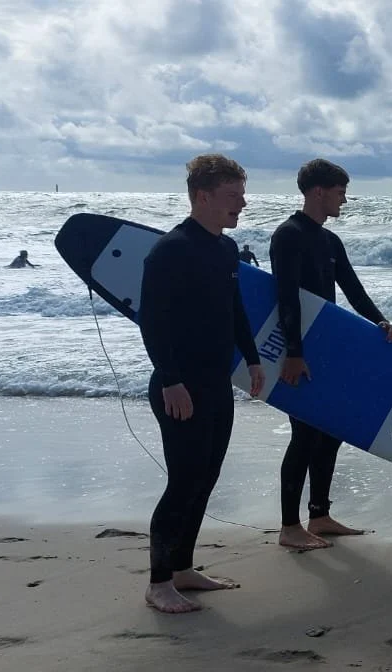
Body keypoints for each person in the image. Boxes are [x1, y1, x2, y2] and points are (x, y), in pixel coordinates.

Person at [138, 153, 265, 613]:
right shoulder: (171, 250)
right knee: (184, 481)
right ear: (203, 196)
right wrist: (171, 381)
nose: (242, 204)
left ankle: (183, 568)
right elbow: (151, 320)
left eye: (242, 195)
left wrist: (251, 360)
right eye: (233, 196)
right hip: (180, 386)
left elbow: (233, 311)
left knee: (205, 478)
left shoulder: (225, 249)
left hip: (215, 383)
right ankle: (158, 583)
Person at [270, 159, 392, 551]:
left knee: (331, 433)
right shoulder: (288, 235)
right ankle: (289, 527)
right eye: (340, 191)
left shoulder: (330, 241)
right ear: (318, 191)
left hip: (327, 349)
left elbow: (353, 290)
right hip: (300, 351)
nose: (344, 199)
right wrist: (293, 353)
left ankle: (320, 515)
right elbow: (286, 298)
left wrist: (381, 322)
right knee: (303, 435)